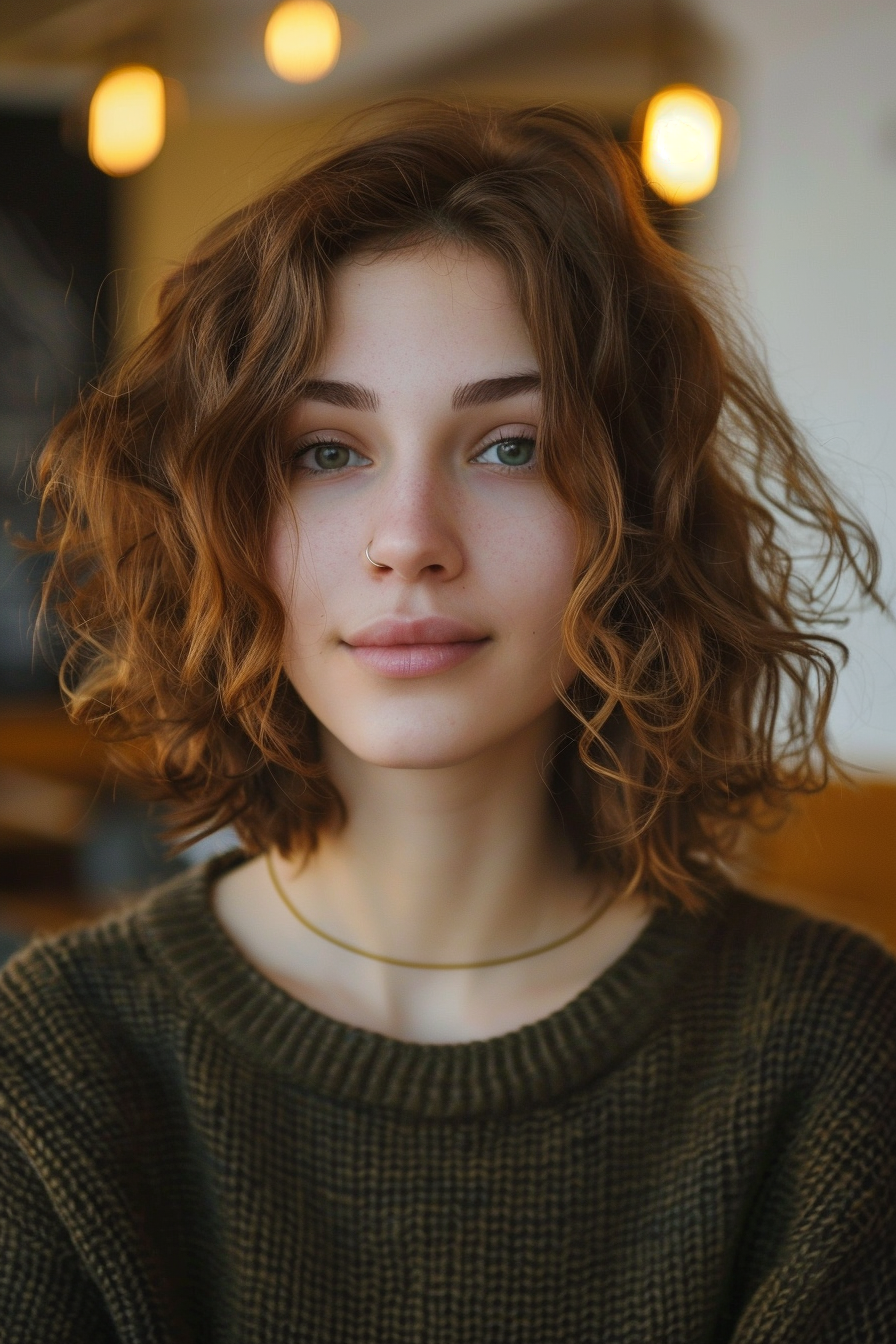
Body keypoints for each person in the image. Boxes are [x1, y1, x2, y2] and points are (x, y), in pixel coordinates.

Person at [1, 101, 893, 1342]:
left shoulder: (830, 1057)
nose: (409, 537)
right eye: (325, 452)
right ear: (222, 518)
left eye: (510, 446)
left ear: (631, 516)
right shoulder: (57, 1060)